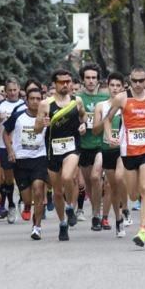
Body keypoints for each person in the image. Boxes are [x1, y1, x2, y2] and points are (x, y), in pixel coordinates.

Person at [104, 67, 145, 247]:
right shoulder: (122, 98)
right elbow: (108, 119)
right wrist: (110, 136)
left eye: (142, 81)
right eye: (135, 81)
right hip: (129, 150)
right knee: (133, 195)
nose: (139, 84)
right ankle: (144, 217)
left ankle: (141, 231)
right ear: (130, 81)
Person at [39, 69, 87, 241]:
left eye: (68, 81)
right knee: (57, 192)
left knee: (68, 177)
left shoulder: (77, 101)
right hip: (53, 150)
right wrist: (42, 123)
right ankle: (62, 223)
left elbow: (83, 117)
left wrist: (84, 126)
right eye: (61, 82)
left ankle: (70, 207)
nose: (66, 84)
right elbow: (37, 127)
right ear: (55, 84)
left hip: (72, 146)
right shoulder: (46, 104)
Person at [4, 86, 49, 240]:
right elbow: (5, 132)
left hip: (39, 158)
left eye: (38, 99)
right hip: (21, 160)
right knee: (27, 197)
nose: (35, 102)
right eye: (32, 99)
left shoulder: (46, 117)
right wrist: (10, 150)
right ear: (27, 101)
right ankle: (27, 206)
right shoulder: (17, 116)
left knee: (38, 190)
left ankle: (36, 227)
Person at [93, 72, 128, 237]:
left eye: (118, 86)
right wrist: (106, 120)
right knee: (112, 187)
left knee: (121, 178)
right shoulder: (101, 106)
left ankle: (126, 208)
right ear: (108, 86)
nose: (115, 89)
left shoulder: (127, 104)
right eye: (112, 85)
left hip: (123, 149)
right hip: (107, 149)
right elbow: (94, 131)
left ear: (122, 87)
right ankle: (119, 219)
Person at [77, 64, 109, 232]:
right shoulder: (76, 98)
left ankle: (97, 214)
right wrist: (79, 126)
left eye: (93, 78)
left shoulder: (104, 99)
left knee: (96, 177)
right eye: (87, 78)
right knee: (89, 184)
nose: (90, 81)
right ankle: (95, 212)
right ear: (83, 79)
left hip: (100, 144)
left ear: (98, 80)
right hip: (83, 146)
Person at [0, 78, 24, 222]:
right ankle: (11, 205)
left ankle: (22, 200)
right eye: (10, 90)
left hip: (22, 147)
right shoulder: (0, 105)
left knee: (21, 177)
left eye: (15, 90)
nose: (13, 93)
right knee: (8, 179)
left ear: (19, 89)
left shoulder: (24, 105)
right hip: (3, 146)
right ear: (5, 91)